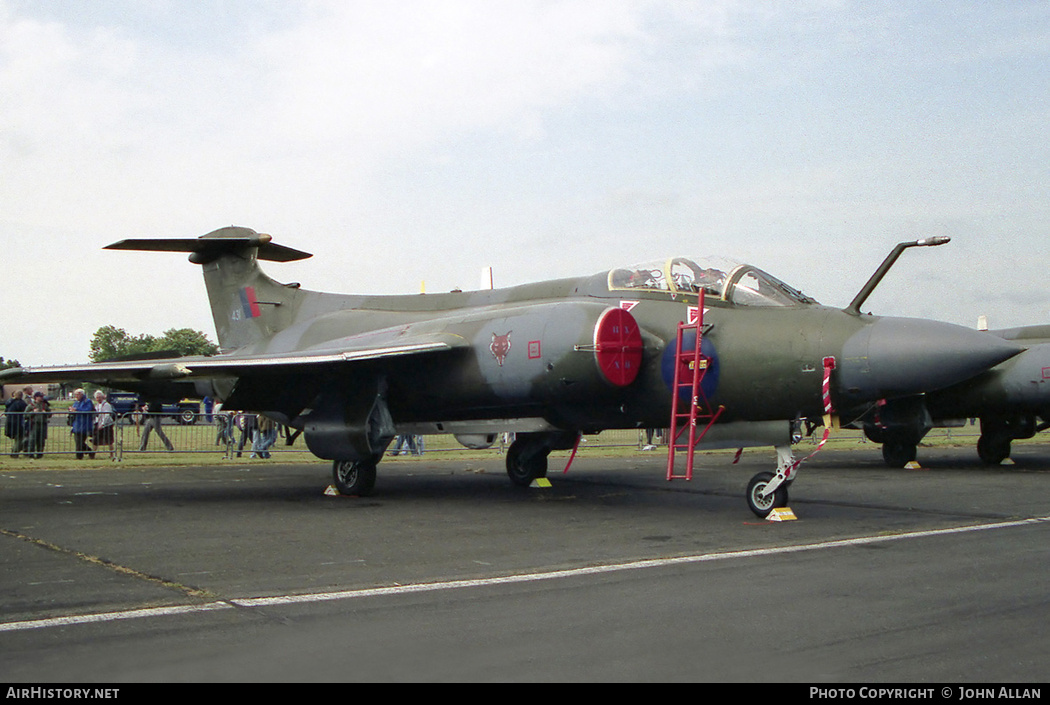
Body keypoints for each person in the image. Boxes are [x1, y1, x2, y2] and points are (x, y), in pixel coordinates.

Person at [24, 391, 51, 458]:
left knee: (41, 440)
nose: (42, 398)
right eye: (40, 396)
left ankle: (40, 454)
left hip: (43, 424)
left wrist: (46, 413)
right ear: (36, 397)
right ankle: (31, 454)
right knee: (32, 439)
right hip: (34, 424)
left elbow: (50, 414)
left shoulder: (45, 405)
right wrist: (33, 412)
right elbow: (25, 415)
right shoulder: (31, 405)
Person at [70, 388, 95, 459]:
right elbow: (73, 409)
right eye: (75, 394)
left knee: (80, 442)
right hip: (77, 424)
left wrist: (77, 410)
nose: (76, 396)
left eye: (77, 394)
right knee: (78, 442)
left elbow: (87, 410)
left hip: (85, 424)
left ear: (81, 394)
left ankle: (80, 456)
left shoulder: (87, 401)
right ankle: (88, 452)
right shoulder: (76, 402)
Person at [93, 391, 116, 459]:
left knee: (109, 441)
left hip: (107, 425)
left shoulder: (106, 405)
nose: (98, 399)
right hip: (99, 425)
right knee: (95, 440)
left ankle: (112, 454)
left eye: (99, 397)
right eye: (97, 397)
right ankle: (92, 454)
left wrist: (102, 424)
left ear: (102, 397)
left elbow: (107, 415)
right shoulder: (97, 405)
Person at [5, 390, 27, 457]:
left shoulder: (9, 402)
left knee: (17, 439)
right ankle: (15, 452)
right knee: (20, 438)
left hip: (9, 423)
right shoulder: (21, 403)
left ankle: (15, 451)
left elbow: (6, 412)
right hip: (18, 423)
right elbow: (25, 412)